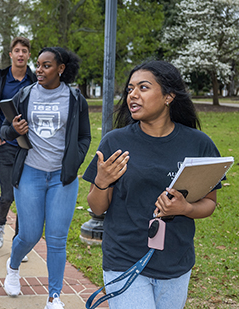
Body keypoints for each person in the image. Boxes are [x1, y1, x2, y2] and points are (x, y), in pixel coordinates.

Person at [82, 60, 222, 309]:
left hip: (175, 262)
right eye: (129, 89)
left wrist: (185, 209)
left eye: (143, 88)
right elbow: (97, 208)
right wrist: (101, 183)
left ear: (168, 96)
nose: (132, 95)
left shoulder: (199, 144)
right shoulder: (115, 142)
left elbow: (209, 203)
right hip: (124, 259)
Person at [1, 47, 91, 309]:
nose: (39, 70)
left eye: (46, 65)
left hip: (62, 178)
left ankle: (54, 296)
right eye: (37, 65)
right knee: (29, 234)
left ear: (61, 69)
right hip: (30, 172)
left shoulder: (75, 98)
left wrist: (75, 160)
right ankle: (13, 265)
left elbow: (84, 136)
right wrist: (13, 130)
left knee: (56, 238)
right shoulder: (26, 94)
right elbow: (5, 129)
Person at [0, 36, 37, 251]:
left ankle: (19, 243)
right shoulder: (0, 81)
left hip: (26, 147)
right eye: (17, 50)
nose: (21, 54)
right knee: (7, 195)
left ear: (29, 55)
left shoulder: (35, 80)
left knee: (24, 198)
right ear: (11, 54)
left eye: (25, 50)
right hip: (5, 143)